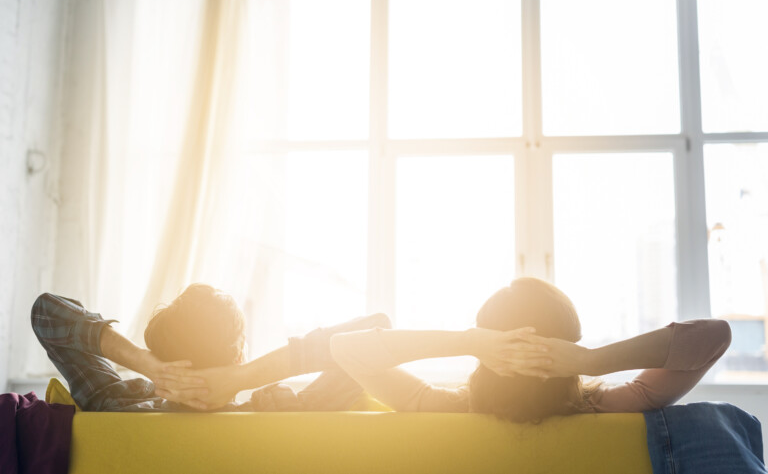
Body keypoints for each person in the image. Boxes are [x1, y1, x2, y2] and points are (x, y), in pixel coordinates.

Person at [323, 277, 732, 421]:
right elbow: (715, 337)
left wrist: (468, 341)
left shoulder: (442, 406)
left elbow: (345, 350)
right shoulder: (611, 406)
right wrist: (592, 360)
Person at [31, 283, 390, 412]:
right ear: (238, 355)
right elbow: (376, 332)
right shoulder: (278, 417)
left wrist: (143, 362)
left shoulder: (112, 403)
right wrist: (244, 377)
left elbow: (47, 311)